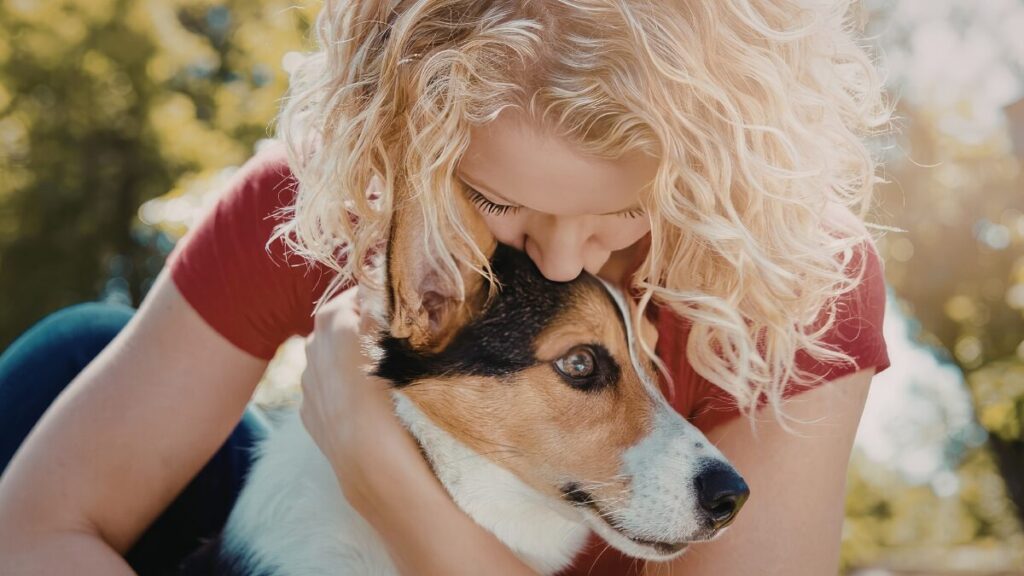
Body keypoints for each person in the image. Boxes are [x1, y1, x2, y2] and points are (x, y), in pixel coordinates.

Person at [0, 0, 892, 574]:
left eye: (623, 214)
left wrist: (377, 464)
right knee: (76, 350)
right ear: (410, 140)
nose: (558, 262)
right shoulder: (323, 203)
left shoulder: (807, 281)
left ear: (701, 172)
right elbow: (34, 531)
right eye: (495, 201)